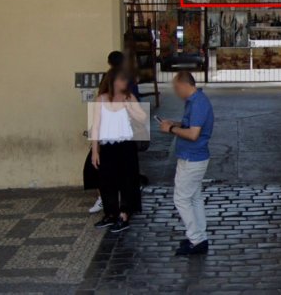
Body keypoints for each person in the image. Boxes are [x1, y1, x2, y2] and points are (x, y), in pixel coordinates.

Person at [158, 71, 214, 256]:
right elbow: (190, 125)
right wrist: (175, 123)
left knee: (181, 199)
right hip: (193, 156)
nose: (175, 91)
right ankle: (199, 236)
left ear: (183, 85)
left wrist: (171, 129)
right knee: (194, 198)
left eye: (176, 87)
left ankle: (196, 240)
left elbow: (193, 134)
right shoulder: (195, 101)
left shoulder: (198, 103)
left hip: (193, 157)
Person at [90, 68, 146, 231]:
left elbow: (142, 118)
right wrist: (95, 150)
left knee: (127, 181)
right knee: (106, 181)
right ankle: (110, 214)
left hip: (126, 145)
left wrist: (129, 107)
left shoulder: (129, 97)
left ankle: (124, 214)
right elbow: (96, 126)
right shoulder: (100, 100)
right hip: (107, 146)